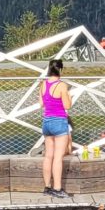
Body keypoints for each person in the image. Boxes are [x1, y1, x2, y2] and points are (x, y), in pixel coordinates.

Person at [39, 58, 73, 197]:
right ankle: (57, 189)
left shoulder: (43, 84)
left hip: (46, 122)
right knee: (58, 157)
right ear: (60, 69)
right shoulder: (62, 85)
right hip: (59, 122)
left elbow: (42, 103)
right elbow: (67, 106)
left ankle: (47, 187)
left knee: (48, 156)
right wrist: (69, 96)